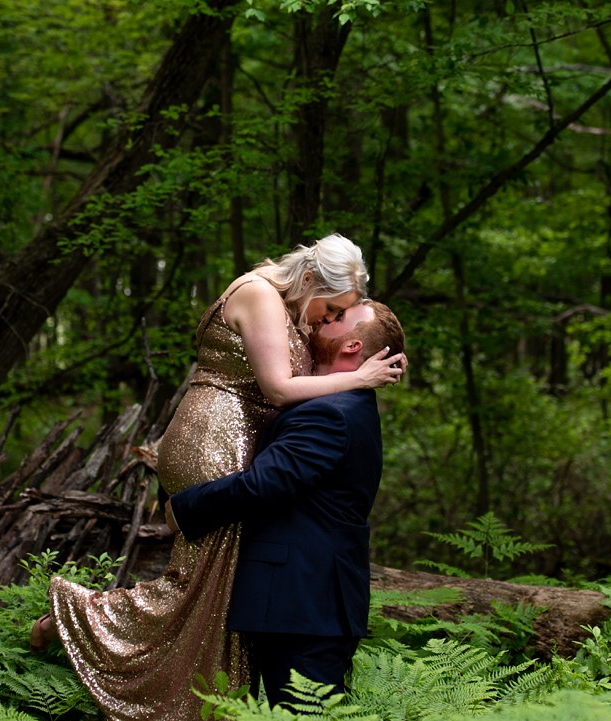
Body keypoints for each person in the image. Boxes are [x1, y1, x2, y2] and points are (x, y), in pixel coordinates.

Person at [28, 235, 404, 721]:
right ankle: (78, 621)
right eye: (331, 309)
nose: (327, 320)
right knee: (196, 581)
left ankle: (188, 699)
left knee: (214, 589)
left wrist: (366, 363)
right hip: (216, 438)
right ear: (311, 281)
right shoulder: (262, 295)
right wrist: (360, 377)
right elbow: (277, 386)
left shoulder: (292, 304)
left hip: (240, 440)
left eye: (338, 316)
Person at [165, 299, 404, 708]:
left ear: (350, 348)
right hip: (304, 603)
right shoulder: (341, 405)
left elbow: (262, 485)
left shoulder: (332, 413)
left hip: (303, 603)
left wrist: (183, 508)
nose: (325, 319)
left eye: (338, 318)